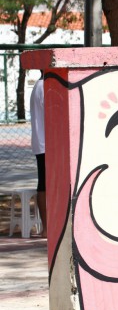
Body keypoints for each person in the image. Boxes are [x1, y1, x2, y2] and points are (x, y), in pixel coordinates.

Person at [30, 78, 47, 238]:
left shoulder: (39, 85)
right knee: (44, 184)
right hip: (45, 144)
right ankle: (46, 228)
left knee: (45, 183)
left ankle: (47, 227)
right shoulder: (44, 85)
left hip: (42, 142)